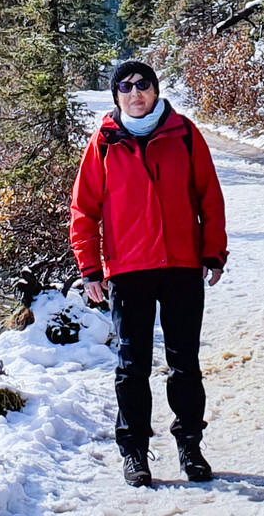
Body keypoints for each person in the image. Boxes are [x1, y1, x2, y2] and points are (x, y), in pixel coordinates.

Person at [69, 60, 227, 488]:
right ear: (116, 95)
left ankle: (190, 446)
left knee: (184, 364)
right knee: (132, 366)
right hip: (128, 270)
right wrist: (90, 269)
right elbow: (84, 211)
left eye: (144, 85)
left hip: (181, 265)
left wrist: (213, 252)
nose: (135, 93)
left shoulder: (184, 134)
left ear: (156, 91)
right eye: (126, 86)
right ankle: (135, 452)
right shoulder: (103, 143)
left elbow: (208, 196)